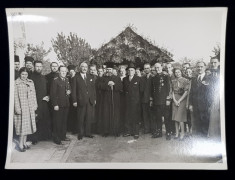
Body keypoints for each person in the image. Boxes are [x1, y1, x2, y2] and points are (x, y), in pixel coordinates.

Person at [28, 60, 52, 144]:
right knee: (35, 120)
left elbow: (47, 89)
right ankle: (34, 138)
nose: (39, 68)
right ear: (34, 67)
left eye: (40, 66)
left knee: (44, 119)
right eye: (37, 66)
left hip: (44, 102)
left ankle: (43, 136)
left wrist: (48, 96)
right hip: (35, 102)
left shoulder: (43, 77)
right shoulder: (31, 78)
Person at [14, 67, 37, 152]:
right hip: (21, 107)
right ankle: (20, 145)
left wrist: (35, 105)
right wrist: (17, 108)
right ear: (20, 74)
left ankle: (24, 143)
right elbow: (15, 97)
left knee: (27, 126)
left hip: (29, 107)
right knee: (21, 127)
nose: (24, 76)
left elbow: (34, 94)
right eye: (23, 74)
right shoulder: (16, 83)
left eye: (26, 74)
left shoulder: (31, 82)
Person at [72, 62, 96, 140]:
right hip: (80, 101)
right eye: (83, 67)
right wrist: (74, 101)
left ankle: (88, 133)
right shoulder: (76, 77)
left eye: (86, 67)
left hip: (90, 101)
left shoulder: (90, 77)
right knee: (81, 118)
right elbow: (74, 90)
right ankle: (81, 133)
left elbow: (93, 89)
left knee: (89, 118)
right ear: (80, 68)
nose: (84, 68)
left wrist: (94, 99)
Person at [98, 62, 123, 137]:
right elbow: (99, 86)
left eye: (110, 69)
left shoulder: (117, 78)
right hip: (105, 100)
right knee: (106, 115)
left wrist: (114, 84)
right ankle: (106, 131)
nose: (109, 71)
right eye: (107, 69)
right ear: (106, 70)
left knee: (116, 115)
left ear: (112, 70)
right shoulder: (102, 78)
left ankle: (116, 131)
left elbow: (121, 87)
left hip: (115, 100)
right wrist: (107, 84)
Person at [189, 61, 213, 137]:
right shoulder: (194, 79)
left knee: (205, 123)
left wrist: (210, 105)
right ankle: (199, 139)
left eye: (201, 66)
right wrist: (190, 104)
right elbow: (191, 93)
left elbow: (211, 93)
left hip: (205, 105)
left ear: (205, 67)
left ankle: (204, 139)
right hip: (195, 105)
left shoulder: (209, 78)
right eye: (198, 66)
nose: (199, 68)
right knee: (197, 123)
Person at [50, 66, 71, 145]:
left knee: (64, 122)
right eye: (62, 71)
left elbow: (69, 89)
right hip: (58, 105)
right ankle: (56, 138)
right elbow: (53, 94)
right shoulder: (55, 81)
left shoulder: (66, 79)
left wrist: (69, 91)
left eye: (65, 71)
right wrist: (55, 104)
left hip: (66, 104)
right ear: (59, 72)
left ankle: (63, 136)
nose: (64, 73)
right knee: (57, 122)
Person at [123, 63, 143, 139]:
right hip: (127, 101)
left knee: (135, 117)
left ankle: (136, 132)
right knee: (127, 116)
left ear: (135, 71)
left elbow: (141, 91)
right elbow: (124, 90)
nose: (130, 71)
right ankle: (128, 131)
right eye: (129, 70)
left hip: (136, 101)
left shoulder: (138, 79)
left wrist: (138, 100)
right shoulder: (125, 79)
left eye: (132, 70)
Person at [150, 63, 170, 139]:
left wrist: (168, 99)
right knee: (158, 117)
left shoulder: (166, 76)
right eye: (156, 68)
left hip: (164, 100)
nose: (157, 69)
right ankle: (159, 132)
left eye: (158, 67)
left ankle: (168, 132)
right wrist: (152, 99)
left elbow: (169, 88)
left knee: (166, 117)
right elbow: (153, 89)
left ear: (161, 67)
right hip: (156, 100)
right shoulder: (154, 77)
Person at [171, 68, 189, 140]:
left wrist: (179, 100)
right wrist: (175, 100)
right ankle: (177, 133)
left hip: (182, 99)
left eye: (179, 72)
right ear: (174, 73)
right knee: (175, 117)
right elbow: (172, 91)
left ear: (181, 72)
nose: (177, 73)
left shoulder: (185, 80)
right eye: (176, 72)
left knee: (180, 117)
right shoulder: (173, 81)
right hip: (175, 99)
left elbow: (186, 92)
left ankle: (182, 133)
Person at [208, 58, 220, 141]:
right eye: (211, 63)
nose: (213, 64)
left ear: (218, 63)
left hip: (220, 97)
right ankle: (213, 137)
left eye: (215, 62)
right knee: (212, 118)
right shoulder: (208, 75)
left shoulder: (222, 73)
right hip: (211, 98)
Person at [141, 63, 152, 134]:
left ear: (150, 68)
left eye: (148, 68)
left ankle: (153, 129)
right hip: (144, 99)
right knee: (145, 115)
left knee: (152, 115)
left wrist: (152, 99)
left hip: (152, 99)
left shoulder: (153, 77)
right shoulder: (142, 78)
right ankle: (147, 128)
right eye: (145, 68)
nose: (146, 69)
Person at [67, 65, 77, 134]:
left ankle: (75, 129)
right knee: (70, 114)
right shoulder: (67, 78)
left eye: (73, 71)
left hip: (76, 98)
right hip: (69, 99)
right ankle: (70, 128)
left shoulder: (77, 78)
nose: (71, 73)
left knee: (75, 114)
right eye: (70, 72)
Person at [185, 68, 194, 136]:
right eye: (187, 72)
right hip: (185, 99)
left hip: (191, 99)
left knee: (191, 115)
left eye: (189, 71)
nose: (188, 73)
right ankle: (187, 129)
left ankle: (192, 130)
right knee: (187, 116)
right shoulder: (185, 80)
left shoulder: (194, 79)